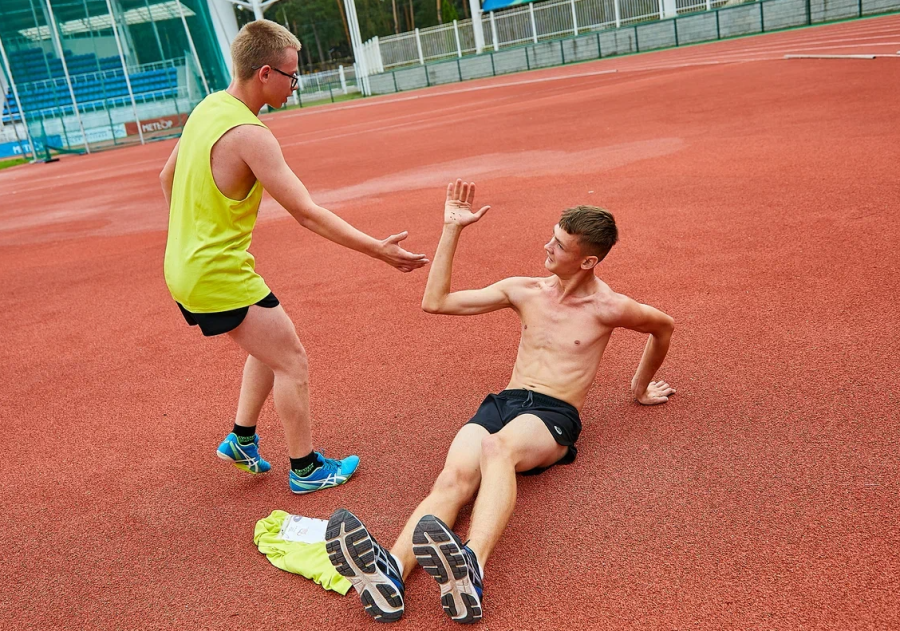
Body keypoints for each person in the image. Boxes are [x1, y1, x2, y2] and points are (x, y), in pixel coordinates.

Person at [325, 180, 675, 623]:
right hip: (503, 402)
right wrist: (452, 229)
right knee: (452, 480)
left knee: (497, 450)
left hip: (552, 414)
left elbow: (664, 328)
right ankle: (390, 571)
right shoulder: (523, 289)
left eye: (560, 244)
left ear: (588, 260)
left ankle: (472, 565)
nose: (547, 245)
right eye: (552, 234)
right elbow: (436, 302)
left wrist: (641, 387)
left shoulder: (610, 307)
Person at [159, 20, 428, 495]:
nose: (295, 85)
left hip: (184, 267)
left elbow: (167, 177)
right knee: (293, 362)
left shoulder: (207, 108)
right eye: (291, 75)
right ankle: (305, 469)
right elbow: (307, 213)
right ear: (264, 73)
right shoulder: (251, 134)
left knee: (268, 337)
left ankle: (241, 439)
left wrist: (191, 233)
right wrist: (378, 251)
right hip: (215, 274)